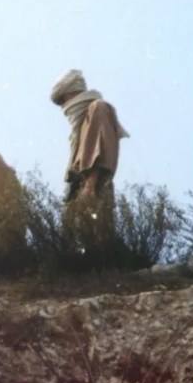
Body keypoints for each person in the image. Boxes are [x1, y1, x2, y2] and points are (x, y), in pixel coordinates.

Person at [50, 69, 129, 256]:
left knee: (95, 245)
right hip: (78, 188)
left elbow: (99, 150)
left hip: (92, 187)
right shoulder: (81, 124)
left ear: (70, 93)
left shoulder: (98, 108)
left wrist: (90, 185)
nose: (63, 107)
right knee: (74, 249)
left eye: (62, 100)